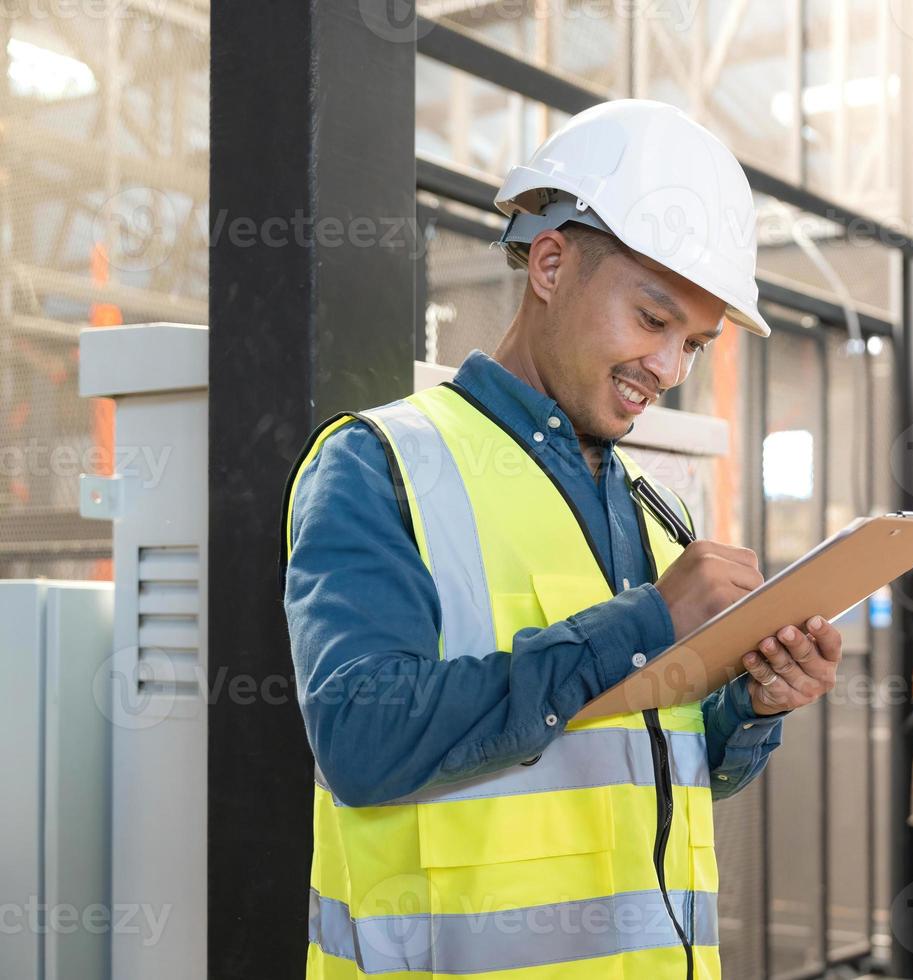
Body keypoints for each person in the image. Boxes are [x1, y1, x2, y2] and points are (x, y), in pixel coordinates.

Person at [282, 99, 843, 980]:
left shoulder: (655, 514)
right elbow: (361, 741)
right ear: (550, 263)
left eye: (694, 344)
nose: (669, 370)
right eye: (653, 322)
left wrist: (751, 709)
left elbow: (653, 761)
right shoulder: (381, 463)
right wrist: (646, 620)